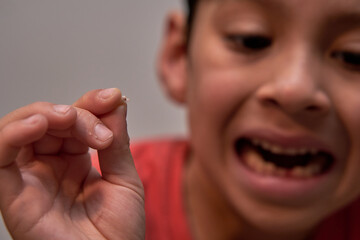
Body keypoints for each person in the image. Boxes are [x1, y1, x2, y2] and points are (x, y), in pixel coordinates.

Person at [1, 0, 360, 239]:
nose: (295, 89)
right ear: (178, 57)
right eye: (251, 40)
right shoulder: (84, 201)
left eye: (353, 56)